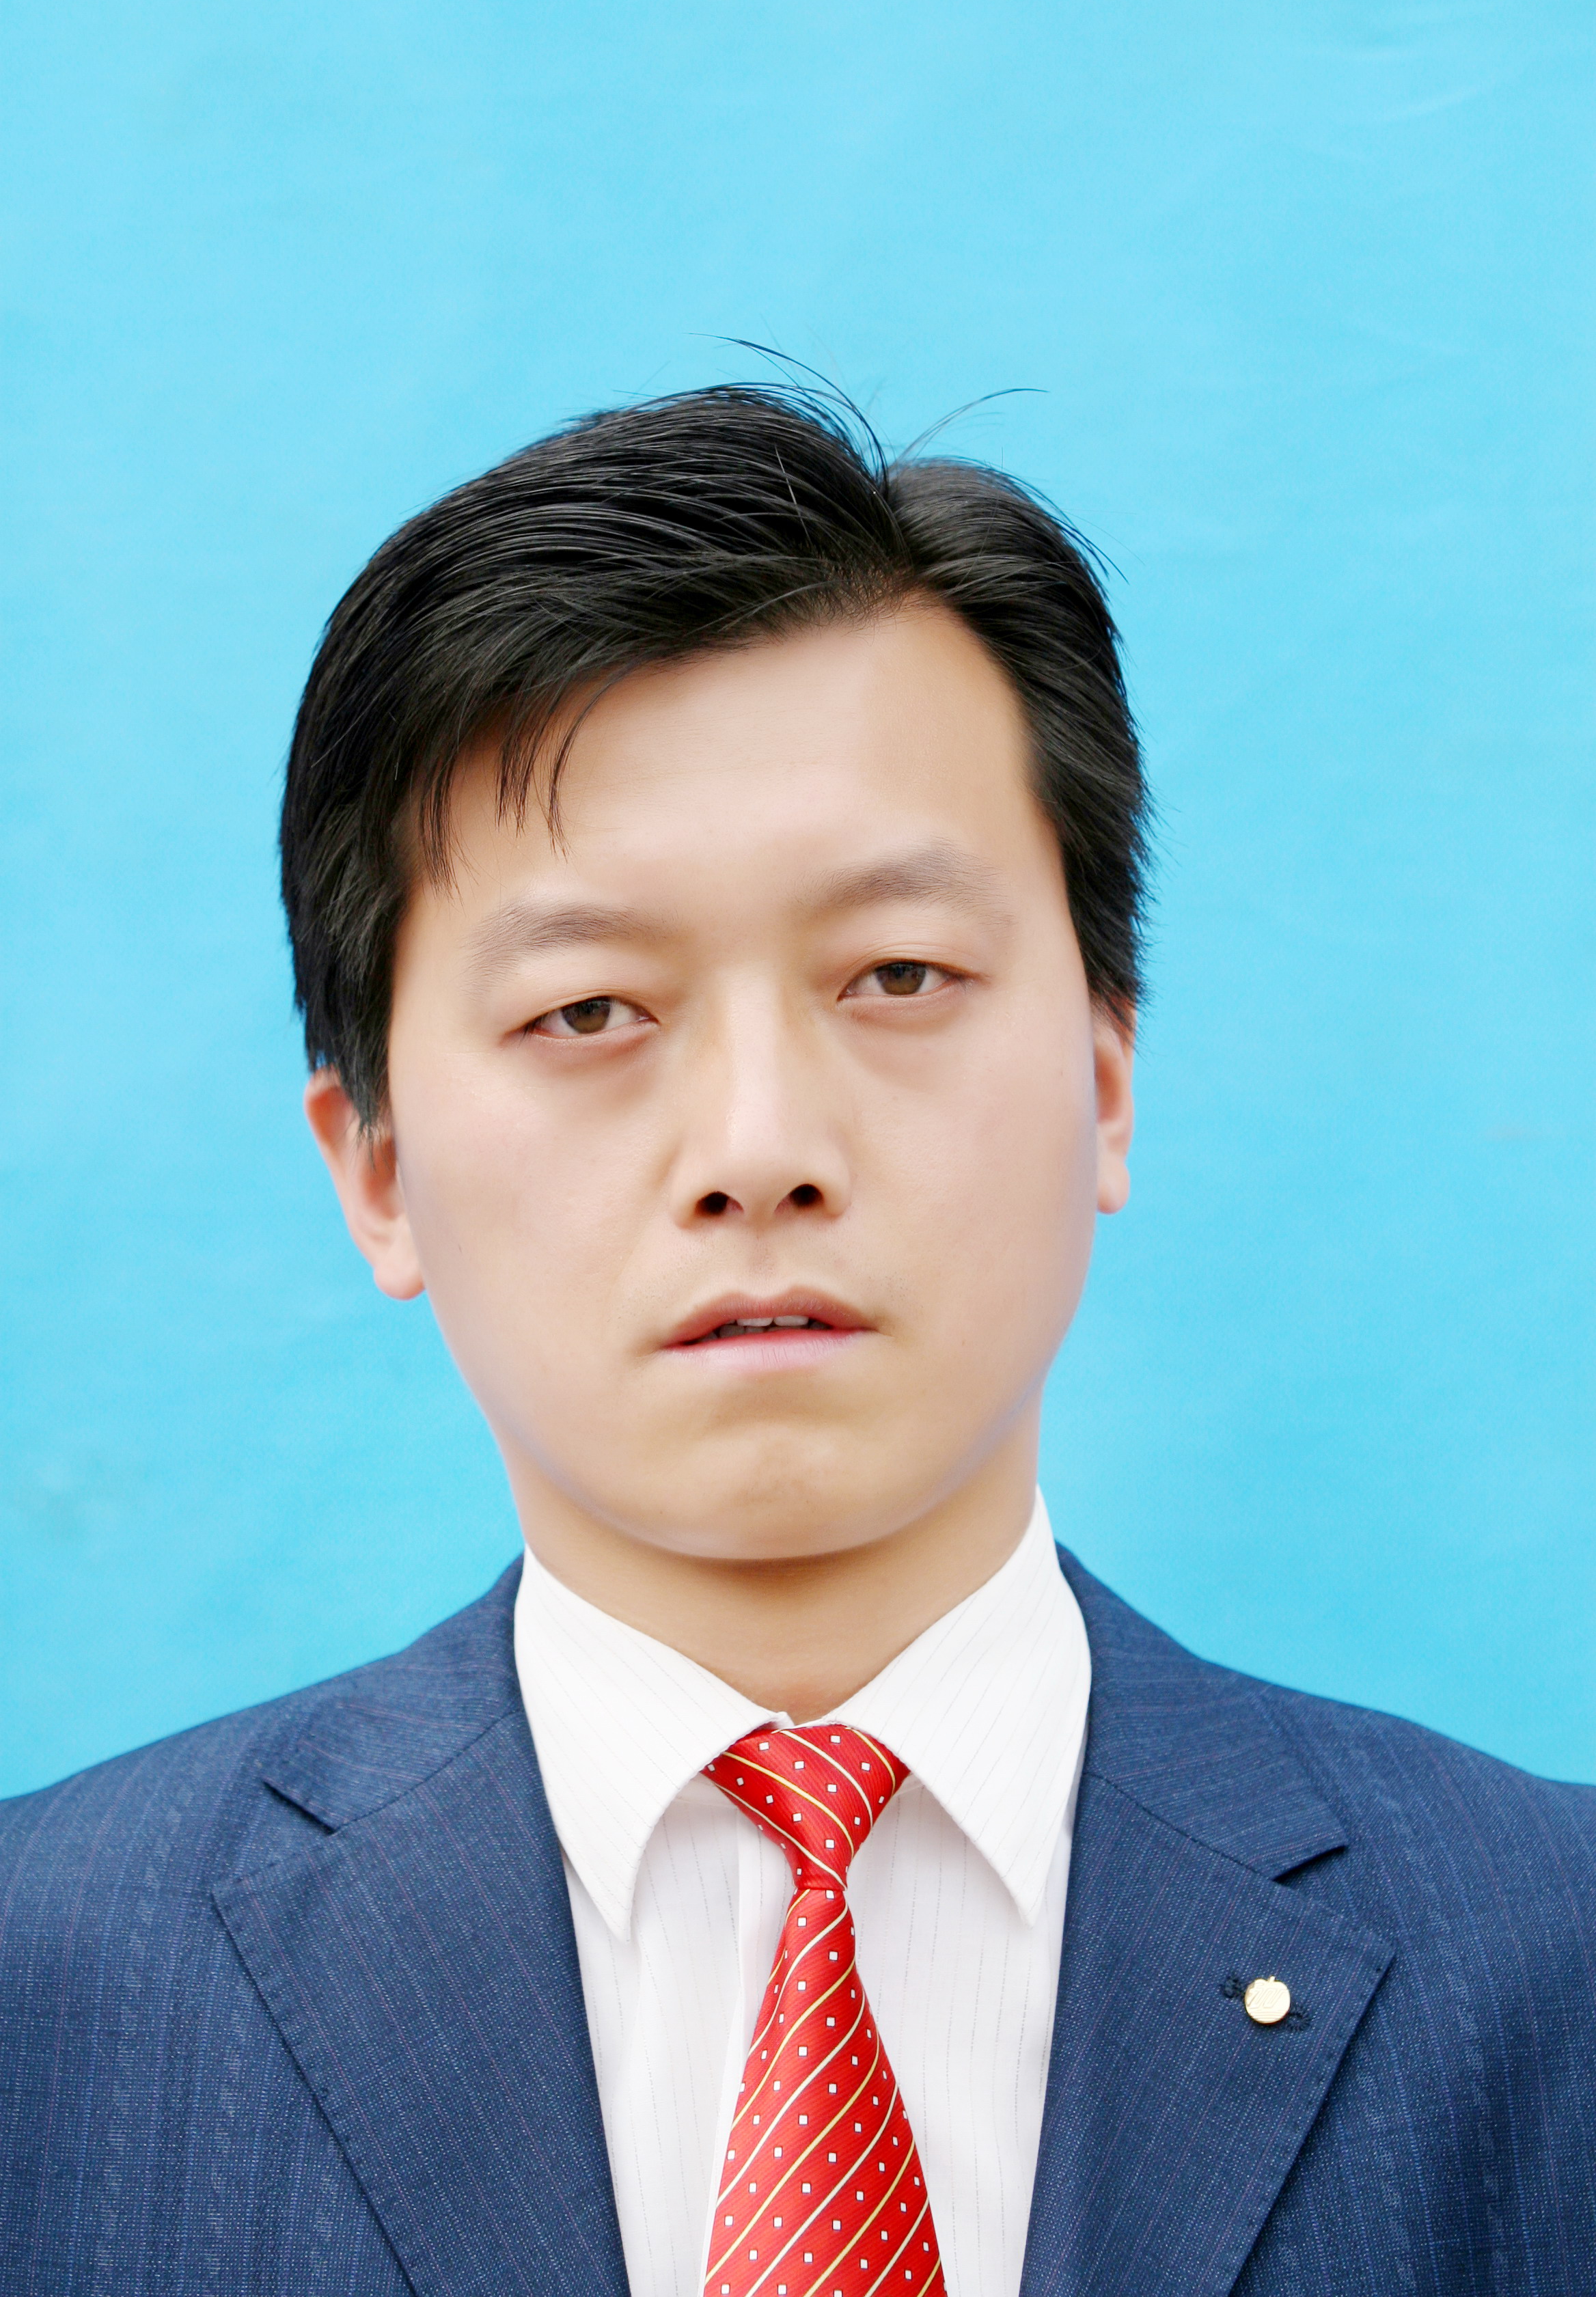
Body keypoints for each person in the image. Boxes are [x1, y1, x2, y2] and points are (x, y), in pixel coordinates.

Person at [1, 388, 1591, 2297]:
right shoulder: (50, 1995)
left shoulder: (1550, 1966)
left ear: (1105, 1081)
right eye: (591, 1011)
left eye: (898, 975)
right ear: (381, 1171)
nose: (760, 1149)